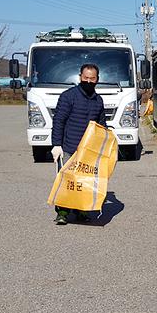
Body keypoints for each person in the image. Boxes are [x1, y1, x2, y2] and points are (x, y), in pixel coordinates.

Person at [50, 63, 107, 225]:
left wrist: (105, 144)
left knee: (85, 181)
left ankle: (82, 211)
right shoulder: (68, 96)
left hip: (88, 150)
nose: (89, 81)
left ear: (97, 79)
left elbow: (101, 125)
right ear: (80, 77)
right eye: (86, 78)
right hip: (69, 146)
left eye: (92, 78)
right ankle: (62, 212)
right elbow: (59, 120)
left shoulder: (98, 100)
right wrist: (56, 144)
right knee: (67, 181)